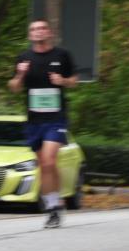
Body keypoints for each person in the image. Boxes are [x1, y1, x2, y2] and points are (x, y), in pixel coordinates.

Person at [9, 19, 78, 228]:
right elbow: (13, 87)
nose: (38, 32)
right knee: (45, 165)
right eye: (34, 29)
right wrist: (20, 74)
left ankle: (51, 209)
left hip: (56, 118)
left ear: (49, 33)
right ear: (30, 35)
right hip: (34, 120)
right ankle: (54, 205)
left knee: (48, 161)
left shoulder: (62, 55)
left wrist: (62, 81)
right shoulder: (24, 58)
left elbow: (74, 80)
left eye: (42, 28)